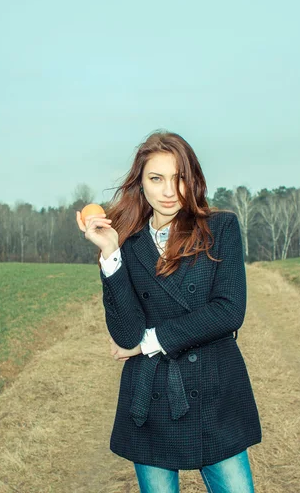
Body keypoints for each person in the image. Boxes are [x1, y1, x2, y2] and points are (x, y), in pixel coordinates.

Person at [76, 130, 262, 493]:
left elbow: (228, 311)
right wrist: (110, 255)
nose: (168, 190)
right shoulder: (126, 243)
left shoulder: (220, 228)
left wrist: (151, 341)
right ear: (140, 184)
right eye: (156, 179)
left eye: (178, 178)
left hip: (213, 389)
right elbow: (125, 335)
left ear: (192, 179)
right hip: (152, 397)